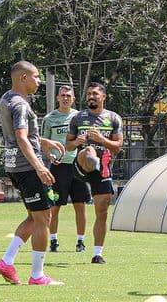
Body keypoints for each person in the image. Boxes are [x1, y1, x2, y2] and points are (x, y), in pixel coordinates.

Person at [0, 60, 66, 286]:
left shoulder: (7, 98)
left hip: (15, 165)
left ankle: (7, 261)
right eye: (36, 77)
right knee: (45, 217)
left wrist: (43, 142)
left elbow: (22, 136)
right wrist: (40, 166)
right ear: (23, 78)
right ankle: (37, 276)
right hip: (27, 168)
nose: (39, 81)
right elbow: (21, 137)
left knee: (34, 217)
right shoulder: (20, 104)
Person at [66, 81, 124, 265]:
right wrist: (77, 142)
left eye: (95, 94)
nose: (91, 97)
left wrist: (102, 140)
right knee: (89, 151)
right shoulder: (78, 118)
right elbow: (68, 145)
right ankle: (95, 161)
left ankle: (97, 254)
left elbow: (118, 147)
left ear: (103, 97)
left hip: (104, 168)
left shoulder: (113, 118)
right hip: (82, 165)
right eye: (89, 94)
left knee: (102, 211)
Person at [41, 84, 89, 253]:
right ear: (58, 98)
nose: (66, 98)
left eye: (69, 95)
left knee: (80, 205)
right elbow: (43, 142)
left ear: (73, 99)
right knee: (55, 206)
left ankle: (80, 241)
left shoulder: (81, 117)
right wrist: (50, 155)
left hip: (78, 166)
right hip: (58, 167)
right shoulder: (49, 118)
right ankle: (53, 240)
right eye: (63, 95)